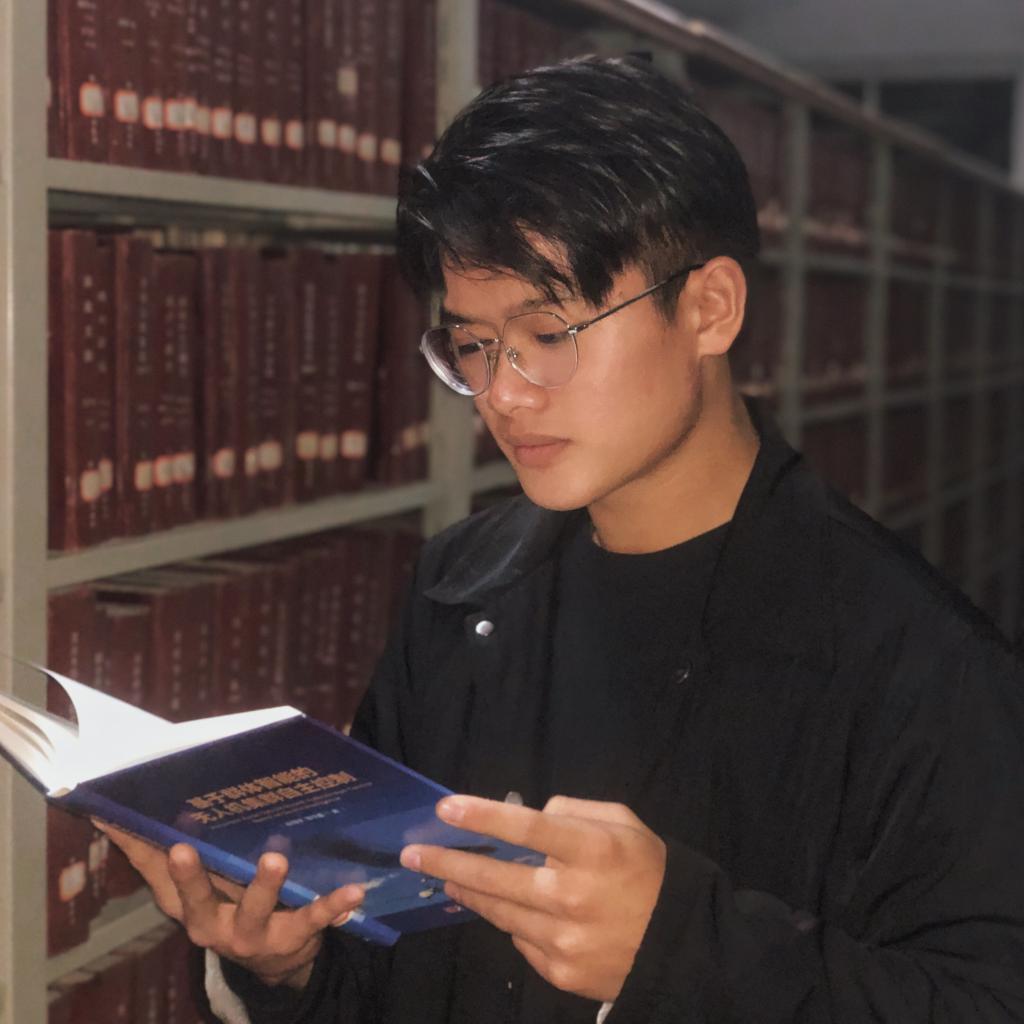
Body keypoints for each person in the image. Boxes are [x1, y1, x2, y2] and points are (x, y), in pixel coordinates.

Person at [99, 55, 1024, 1023]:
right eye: (472, 344)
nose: (503, 393)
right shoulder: (458, 591)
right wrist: (289, 965)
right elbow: (389, 974)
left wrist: (680, 954)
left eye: (548, 334)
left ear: (708, 308)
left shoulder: (915, 662)